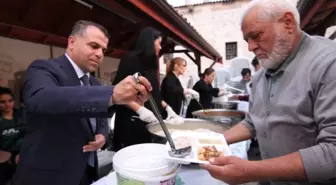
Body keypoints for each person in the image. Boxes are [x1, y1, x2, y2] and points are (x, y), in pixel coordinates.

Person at [201, 1, 336, 185]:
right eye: (247, 40)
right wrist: (216, 141)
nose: (250, 47)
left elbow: (332, 152)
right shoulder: (260, 76)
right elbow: (254, 122)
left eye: (256, 35)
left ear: (288, 23)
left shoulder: (328, 64)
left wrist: (252, 170)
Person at [13, 20, 152, 185]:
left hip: (86, 172)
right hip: (48, 175)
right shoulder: (43, 69)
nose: (100, 54)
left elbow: (99, 118)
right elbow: (41, 99)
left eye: (103, 49)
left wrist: (102, 135)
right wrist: (112, 92)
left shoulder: (94, 83)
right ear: (72, 42)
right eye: (94, 46)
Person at [112, 27, 180, 152]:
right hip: (132, 121)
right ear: (149, 41)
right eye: (159, 43)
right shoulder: (130, 59)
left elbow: (154, 93)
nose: (160, 48)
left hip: (149, 122)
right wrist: (140, 109)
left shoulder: (151, 65)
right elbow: (117, 92)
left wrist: (167, 107)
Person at [0, 87, 25, 183]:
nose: (7, 105)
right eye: (2, 102)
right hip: (6, 159)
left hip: (25, 153)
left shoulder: (23, 116)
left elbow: (33, 136)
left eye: (10, 101)